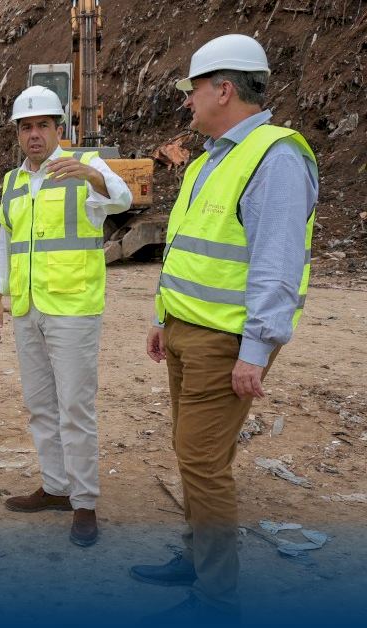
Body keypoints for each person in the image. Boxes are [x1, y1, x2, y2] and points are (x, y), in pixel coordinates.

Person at [132, 34, 318, 621]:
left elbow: (277, 264)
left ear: (223, 89)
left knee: (202, 462)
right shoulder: (209, 159)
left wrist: (256, 350)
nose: (186, 102)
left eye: (192, 91)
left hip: (227, 338)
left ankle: (215, 600)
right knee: (192, 453)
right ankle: (196, 558)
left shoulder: (274, 158)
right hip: (188, 329)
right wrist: (164, 317)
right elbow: (189, 251)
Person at [0, 85, 132, 547]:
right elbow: (9, 242)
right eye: (26, 127)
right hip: (28, 308)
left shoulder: (85, 166)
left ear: (58, 129)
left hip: (73, 308)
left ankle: (84, 501)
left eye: (43, 125)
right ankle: (55, 487)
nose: (34, 134)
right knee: (40, 406)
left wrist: (93, 176)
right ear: (18, 133)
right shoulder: (13, 181)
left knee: (75, 408)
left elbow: (123, 199)